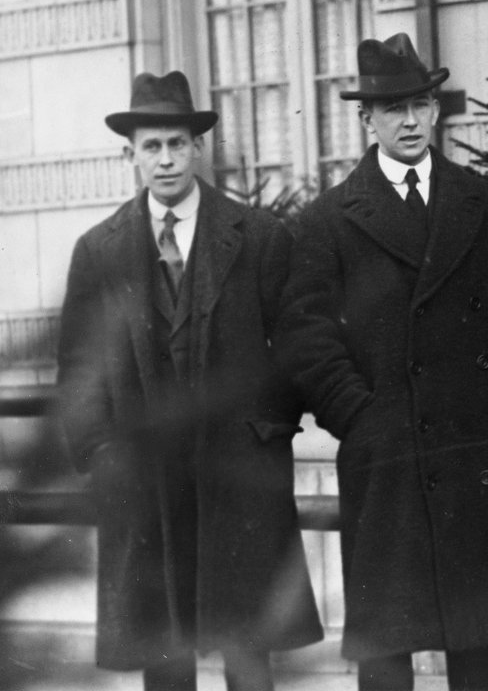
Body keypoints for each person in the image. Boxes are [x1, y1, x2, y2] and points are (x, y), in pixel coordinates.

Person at [276, 34, 488, 691]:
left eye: (421, 104)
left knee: (475, 635)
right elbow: (306, 334)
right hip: (388, 451)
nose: (409, 121)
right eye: (393, 107)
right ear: (366, 118)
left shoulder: (481, 203)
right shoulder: (330, 219)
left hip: (476, 444)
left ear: (436, 111)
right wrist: (357, 415)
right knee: (387, 644)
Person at [57, 71, 322, 691]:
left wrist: (268, 430)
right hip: (146, 478)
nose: (167, 159)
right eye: (152, 147)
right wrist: (102, 453)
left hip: (238, 473)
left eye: (177, 144)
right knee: (164, 648)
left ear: (197, 148)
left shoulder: (256, 237)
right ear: (131, 155)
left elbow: (295, 345)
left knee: (247, 646)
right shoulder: (99, 250)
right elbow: (78, 368)